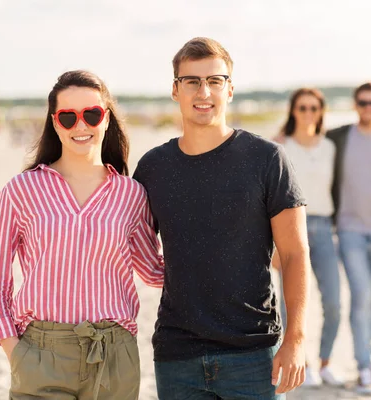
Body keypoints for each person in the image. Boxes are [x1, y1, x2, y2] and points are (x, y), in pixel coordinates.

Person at [132, 37, 309, 399]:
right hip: (176, 355)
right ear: (175, 90)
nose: (204, 91)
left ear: (230, 89)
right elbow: (121, 242)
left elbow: (295, 254)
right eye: (192, 81)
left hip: (253, 353)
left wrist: (296, 339)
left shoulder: (267, 159)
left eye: (215, 80)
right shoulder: (153, 167)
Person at [0, 70, 165, 400]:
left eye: (91, 114)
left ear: (106, 119)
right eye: (68, 117)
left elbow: (153, 272)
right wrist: (13, 349)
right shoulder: (22, 190)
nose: (81, 126)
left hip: (115, 355)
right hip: (40, 354)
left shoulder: (131, 194)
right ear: (55, 123)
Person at [326, 82, 371, 396]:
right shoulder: (339, 137)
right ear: (355, 105)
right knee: (362, 297)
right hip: (350, 230)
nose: (369, 108)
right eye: (363, 102)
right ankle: (364, 367)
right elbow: (302, 144)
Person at [271, 88, 343, 387]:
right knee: (291, 303)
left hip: (324, 228)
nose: (308, 113)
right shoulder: (279, 146)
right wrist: (272, 244)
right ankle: (305, 363)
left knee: (334, 301)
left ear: (321, 111)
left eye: (314, 108)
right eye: (302, 108)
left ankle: (325, 362)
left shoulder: (330, 147)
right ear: (293, 111)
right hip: (288, 229)